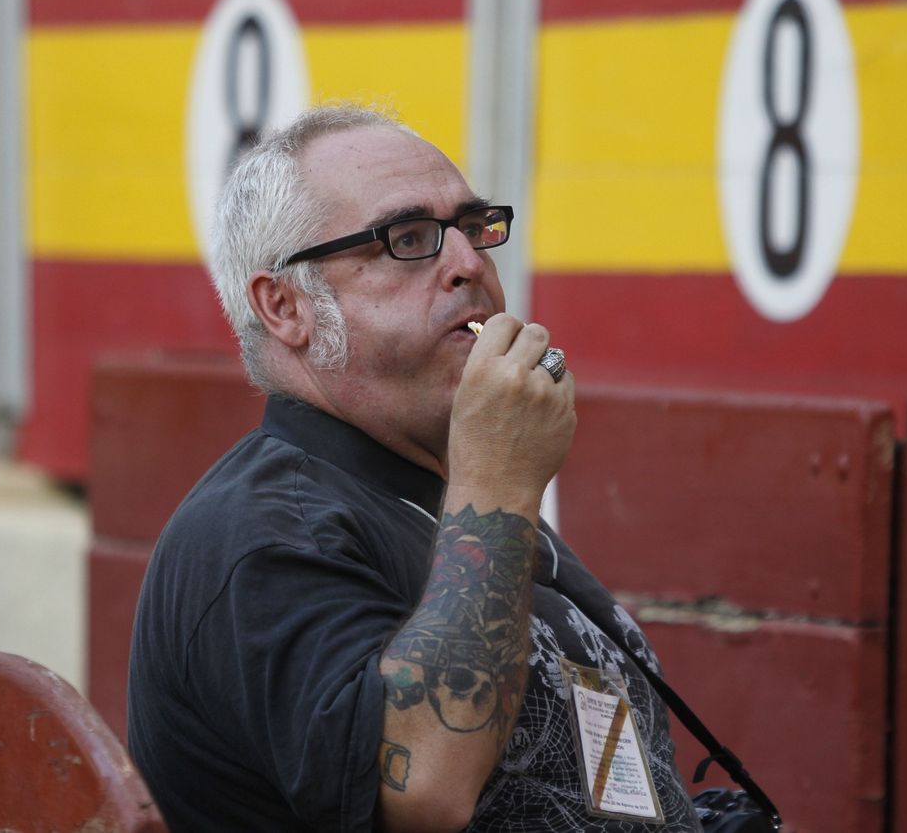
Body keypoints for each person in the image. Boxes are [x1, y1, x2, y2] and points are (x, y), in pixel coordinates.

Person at [127, 103, 701, 832]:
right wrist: (499, 482)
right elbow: (423, 789)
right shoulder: (259, 533)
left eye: (473, 227)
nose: (467, 264)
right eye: (407, 239)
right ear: (285, 306)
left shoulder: (447, 491)